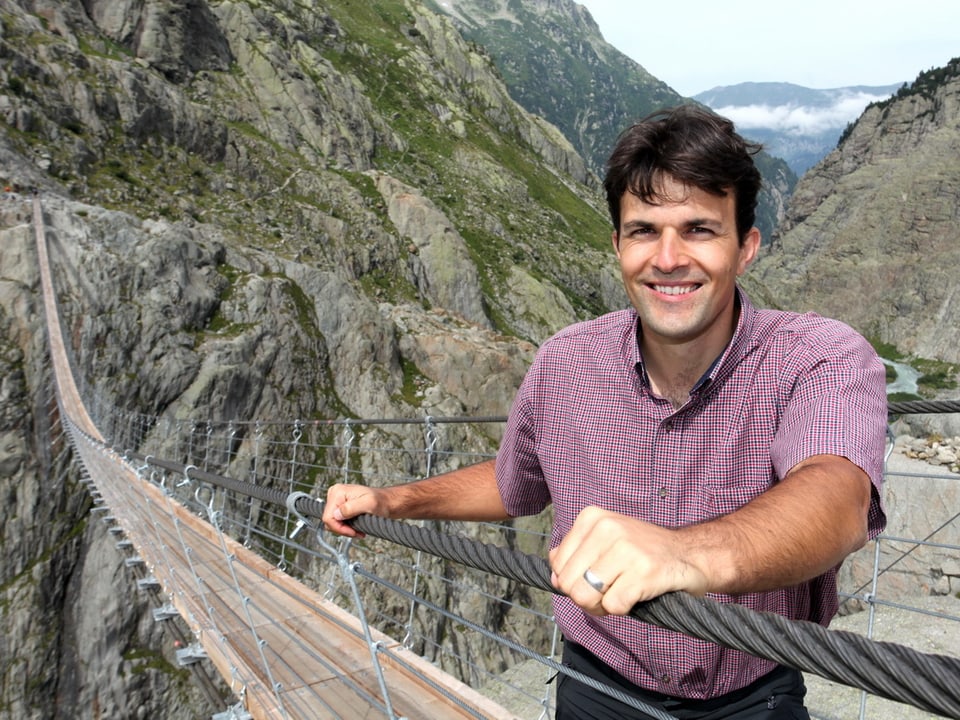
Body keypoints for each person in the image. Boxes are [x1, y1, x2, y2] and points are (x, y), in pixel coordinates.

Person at [323, 105, 888, 719]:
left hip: (753, 692)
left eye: (699, 229)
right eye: (644, 231)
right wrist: (394, 501)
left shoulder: (819, 355)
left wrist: (682, 555)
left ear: (746, 247)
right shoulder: (567, 362)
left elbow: (837, 498)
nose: (668, 258)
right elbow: (519, 480)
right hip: (600, 684)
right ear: (618, 244)